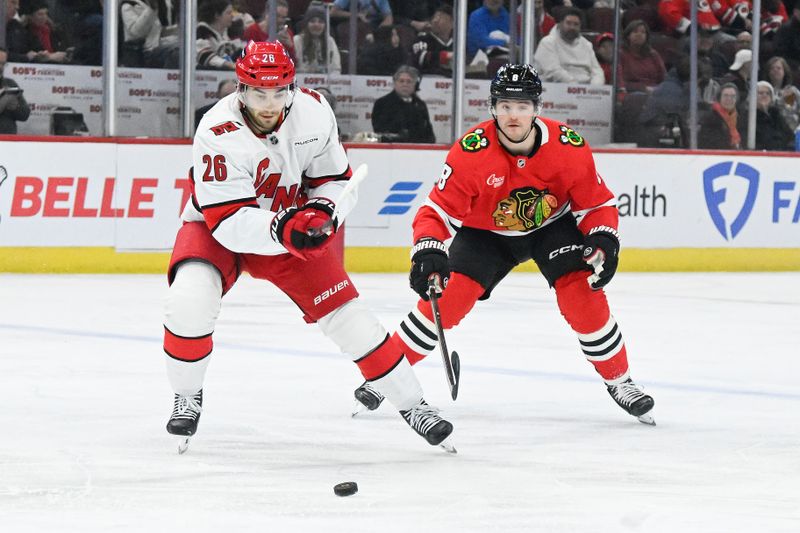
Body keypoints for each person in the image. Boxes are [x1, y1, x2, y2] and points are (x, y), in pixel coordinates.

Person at [164, 40, 453, 452]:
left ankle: (414, 404)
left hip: (290, 230)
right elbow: (228, 222)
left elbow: (336, 180)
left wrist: (323, 211)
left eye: (279, 92)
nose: (269, 104)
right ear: (240, 88)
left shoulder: (314, 110)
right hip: (218, 228)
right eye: (259, 93)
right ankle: (187, 394)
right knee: (189, 300)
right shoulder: (216, 130)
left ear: (292, 87)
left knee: (349, 317)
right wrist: (284, 227)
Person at [353, 64, 656, 425]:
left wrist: (603, 236)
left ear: (537, 108)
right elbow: (436, 210)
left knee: (581, 296)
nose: (514, 115)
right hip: (485, 234)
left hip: (551, 228)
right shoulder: (471, 151)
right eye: (506, 106)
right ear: (493, 107)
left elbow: (597, 204)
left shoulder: (567, 146)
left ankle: (620, 381)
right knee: (445, 302)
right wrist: (429, 248)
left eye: (523, 106)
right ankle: (385, 377)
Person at [533, 7, 605, 85]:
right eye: (568, 23)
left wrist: (594, 89)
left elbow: (597, 71)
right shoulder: (547, 42)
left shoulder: (587, 44)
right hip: (556, 89)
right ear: (560, 24)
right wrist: (576, 88)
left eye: (576, 24)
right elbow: (554, 72)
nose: (572, 27)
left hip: (586, 92)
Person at [370, 65, 435, 143]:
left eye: (409, 81)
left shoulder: (420, 105)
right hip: (391, 150)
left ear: (415, 84)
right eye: (401, 81)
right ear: (395, 83)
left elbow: (429, 133)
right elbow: (380, 131)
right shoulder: (382, 104)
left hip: (418, 151)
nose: (405, 84)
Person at [120, 0, 180, 68]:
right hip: (143, 53)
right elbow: (137, 33)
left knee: (189, 47)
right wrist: (151, 9)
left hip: (157, 46)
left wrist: (177, 29)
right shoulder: (128, 5)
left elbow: (157, 32)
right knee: (177, 52)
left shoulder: (149, 4)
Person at [620, 19, 666, 93]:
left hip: (655, 91)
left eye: (643, 32)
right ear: (628, 35)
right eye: (635, 32)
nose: (639, 34)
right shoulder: (621, 54)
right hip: (632, 92)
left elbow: (663, 78)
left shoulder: (653, 54)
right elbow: (619, 82)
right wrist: (642, 88)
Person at [292, 6, 341, 74]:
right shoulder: (297, 40)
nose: (316, 25)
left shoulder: (330, 41)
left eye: (320, 22)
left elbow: (336, 69)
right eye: (312, 21)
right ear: (306, 24)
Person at [411, 4, 454, 77]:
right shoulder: (422, 39)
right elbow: (419, 58)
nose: (435, 20)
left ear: (452, 23)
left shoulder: (458, 43)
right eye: (435, 17)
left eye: (441, 17)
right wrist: (445, 56)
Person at [753, 80, 794, 150]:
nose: (764, 95)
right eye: (760, 93)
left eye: (768, 93)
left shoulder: (777, 115)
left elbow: (790, 137)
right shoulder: (749, 117)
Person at [763, 55, 800, 130]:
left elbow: (792, 109)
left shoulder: (792, 91)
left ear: (784, 71)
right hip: (771, 131)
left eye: (778, 68)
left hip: (792, 131)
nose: (775, 70)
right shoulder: (763, 91)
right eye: (772, 68)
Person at [0, 47, 31, 134]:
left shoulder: (10, 84)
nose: (1, 67)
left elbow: (25, 114)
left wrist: (15, 108)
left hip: (8, 138)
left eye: (3, 64)